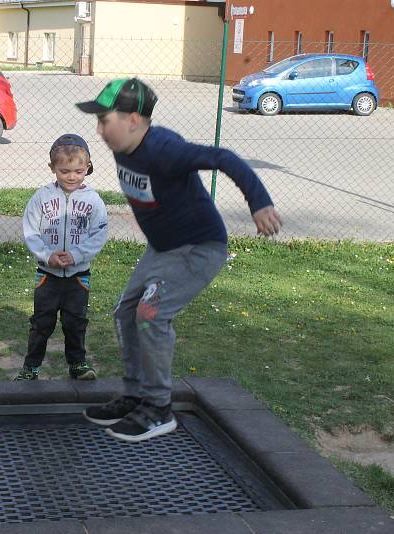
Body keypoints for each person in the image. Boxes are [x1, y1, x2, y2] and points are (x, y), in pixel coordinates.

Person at [76, 78, 282, 442]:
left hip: (198, 248)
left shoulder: (165, 150)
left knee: (150, 314)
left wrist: (259, 202)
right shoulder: (124, 142)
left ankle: (158, 408)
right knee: (125, 312)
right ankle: (136, 394)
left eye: (105, 120)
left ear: (134, 120)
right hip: (163, 248)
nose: (99, 129)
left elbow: (225, 158)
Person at [15, 134, 109, 381]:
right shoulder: (41, 198)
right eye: (64, 171)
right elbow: (31, 231)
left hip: (78, 277)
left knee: (75, 322)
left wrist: (77, 255)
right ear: (52, 168)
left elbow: (99, 234)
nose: (71, 176)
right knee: (41, 323)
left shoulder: (93, 201)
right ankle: (31, 367)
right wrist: (47, 256)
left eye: (78, 171)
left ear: (87, 168)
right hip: (48, 276)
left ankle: (78, 364)